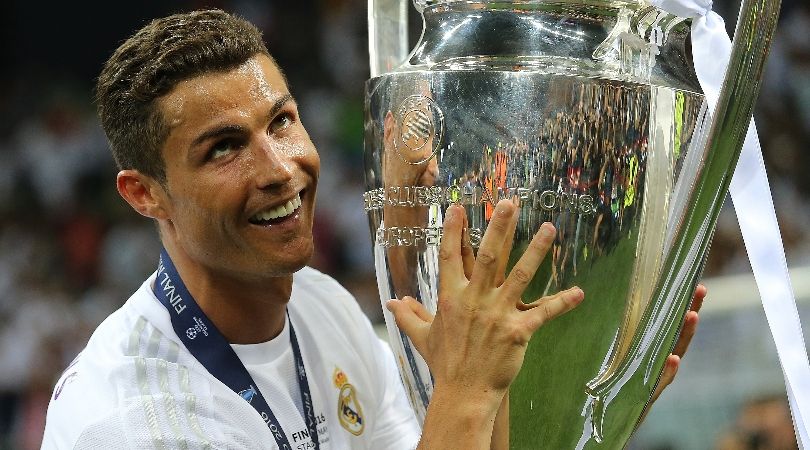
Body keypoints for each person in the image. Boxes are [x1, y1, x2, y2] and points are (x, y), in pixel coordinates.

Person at [41, 9, 705, 449]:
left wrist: (573, 411)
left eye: (281, 122)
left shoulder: (322, 308)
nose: (281, 168)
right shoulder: (131, 423)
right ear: (143, 194)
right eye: (223, 148)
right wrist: (467, 391)